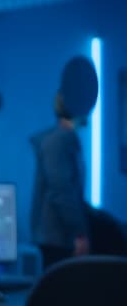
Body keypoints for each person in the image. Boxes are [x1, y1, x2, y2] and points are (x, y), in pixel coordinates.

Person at [30, 93, 90, 269]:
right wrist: (79, 233)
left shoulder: (62, 138)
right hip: (58, 238)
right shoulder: (60, 140)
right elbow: (61, 190)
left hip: (57, 237)